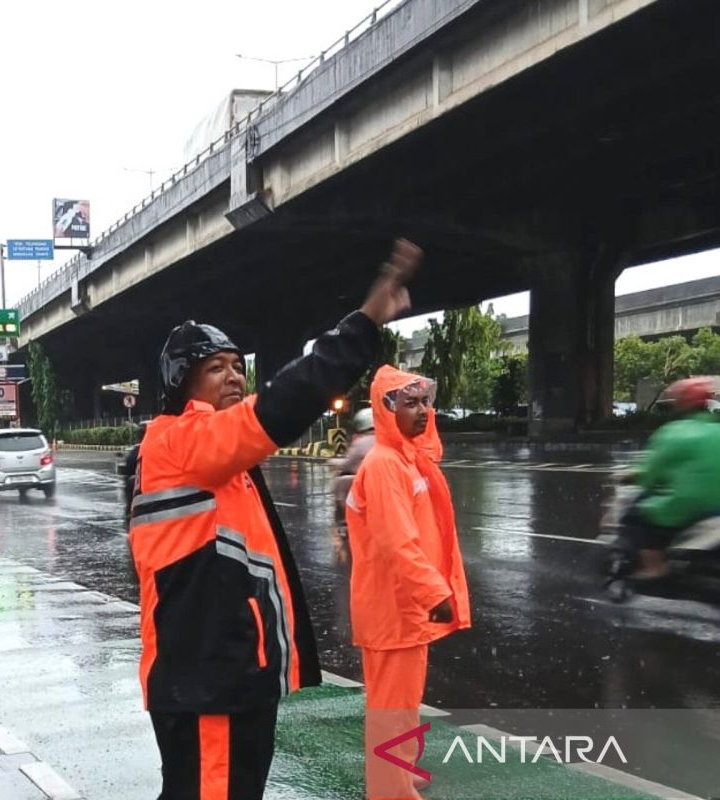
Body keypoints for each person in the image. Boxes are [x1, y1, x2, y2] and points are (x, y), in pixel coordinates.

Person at [129, 239, 421, 799]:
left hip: (230, 679)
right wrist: (363, 324)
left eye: (239, 367)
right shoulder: (181, 441)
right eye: (215, 368)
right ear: (180, 383)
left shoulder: (223, 459)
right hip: (206, 681)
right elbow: (284, 403)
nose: (234, 377)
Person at [345, 366, 471, 800]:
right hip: (392, 607)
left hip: (403, 607)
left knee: (403, 700)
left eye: (424, 402)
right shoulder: (384, 466)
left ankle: (401, 771)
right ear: (386, 409)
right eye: (410, 403)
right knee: (391, 706)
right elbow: (399, 542)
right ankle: (389, 791)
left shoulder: (405, 460)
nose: (422, 412)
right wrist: (434, 592)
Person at [622, 377, 720, 579]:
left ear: (679, 404)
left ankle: (654, 567)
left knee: (638, 517)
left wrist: (633, 478)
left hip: (687, 506)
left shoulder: (673, 433)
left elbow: (650, 473)